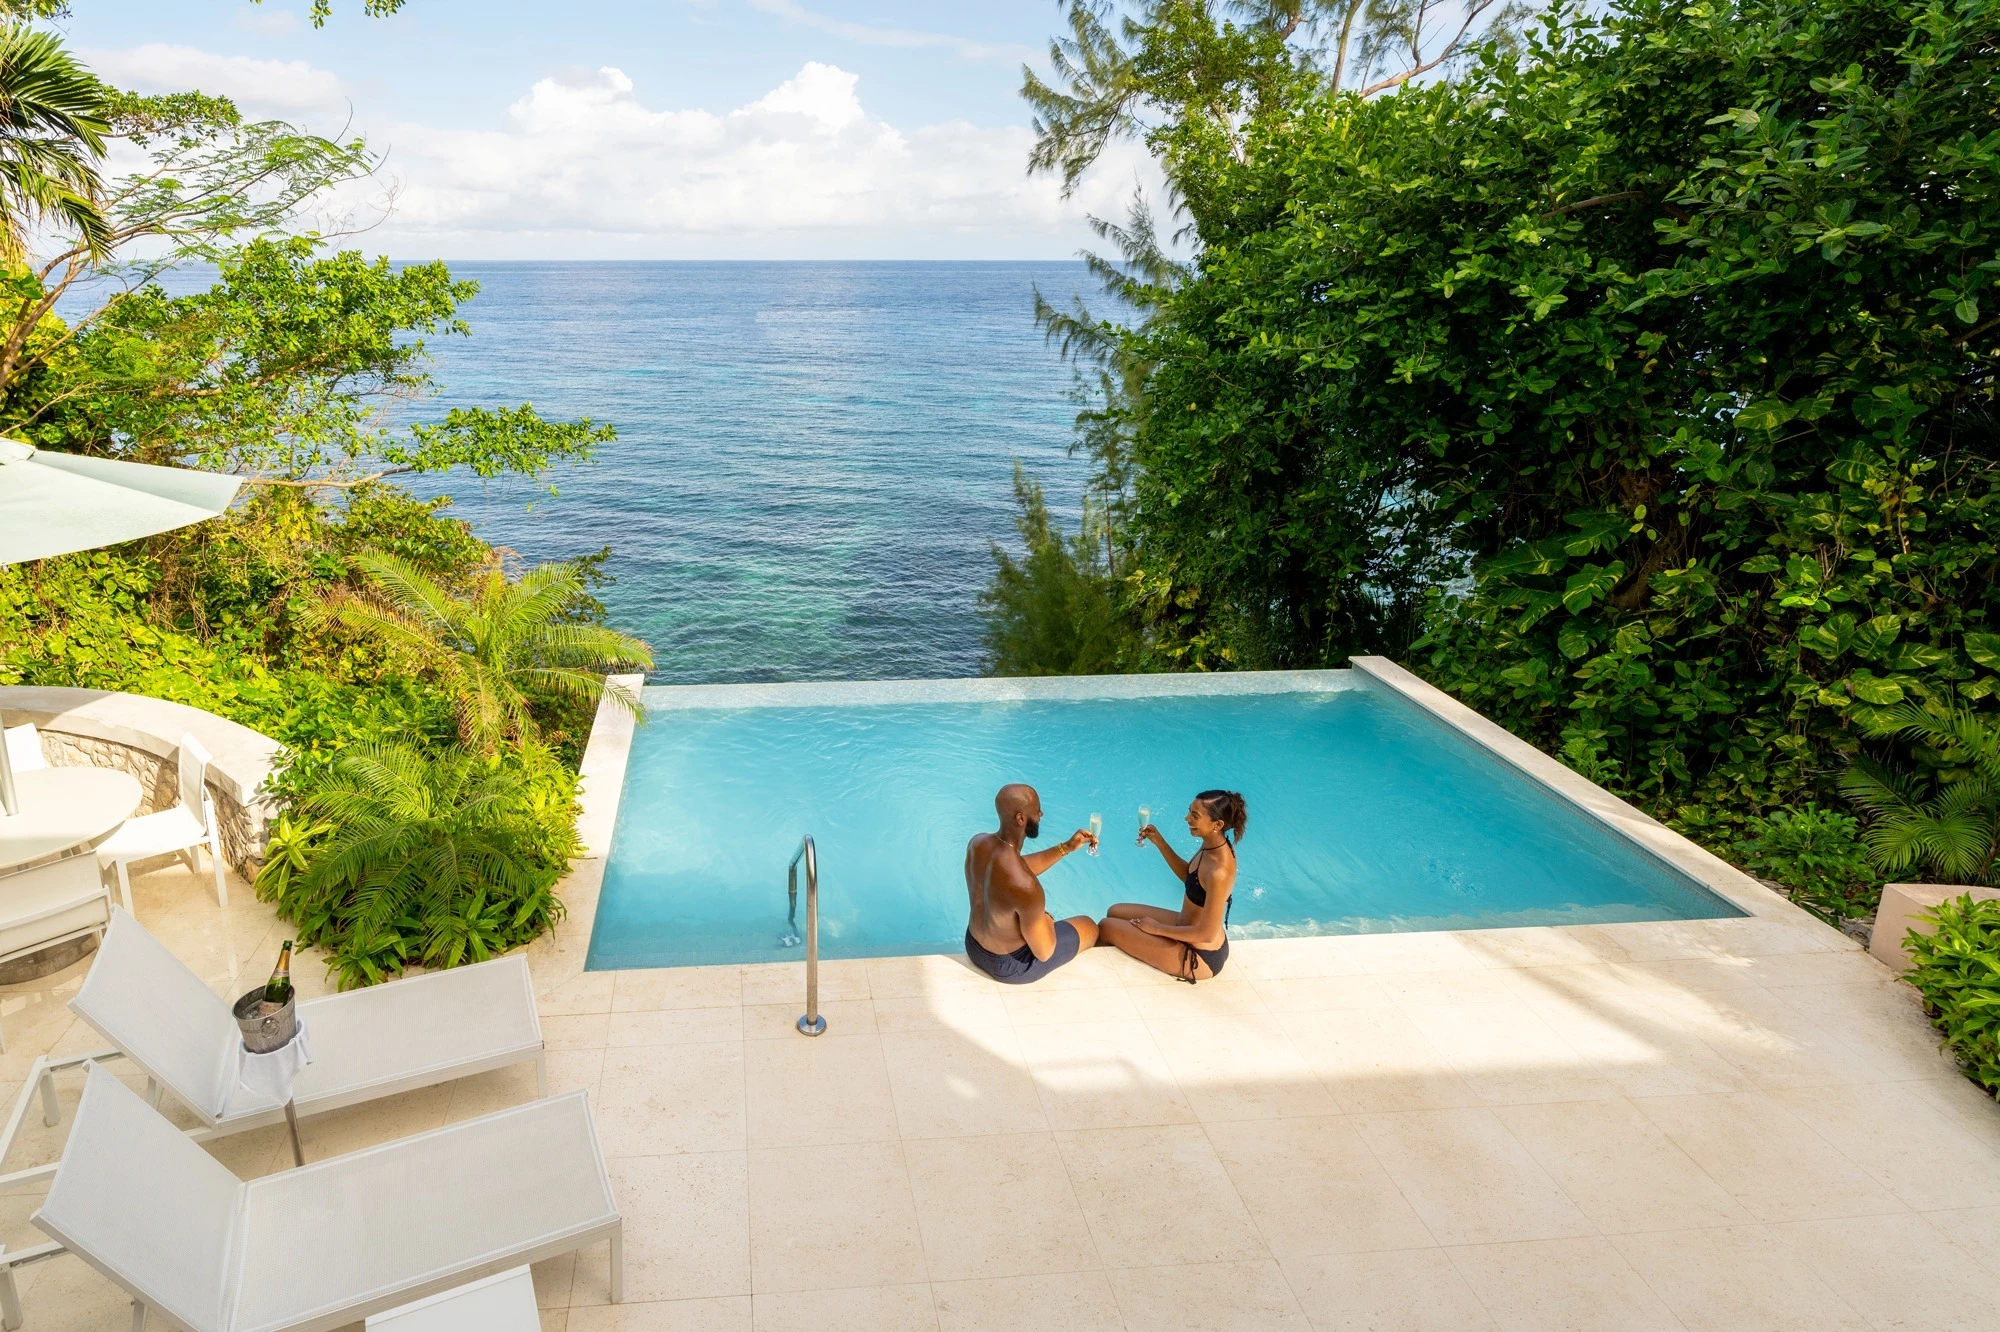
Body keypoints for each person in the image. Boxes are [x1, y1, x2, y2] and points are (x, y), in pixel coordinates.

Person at [1099, 790, 1246, 983]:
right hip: (1185, 926)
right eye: (1189, 811)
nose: (1187, 818)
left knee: (1106, 927)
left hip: (1199, 954)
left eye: (1195, 816)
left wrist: (1157, 929)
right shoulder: (1212, 843)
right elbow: (1191, 878)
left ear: (1217, 825)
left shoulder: (1220, 871)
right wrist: (1160, 842)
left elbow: (1207, 934)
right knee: (1115, 911)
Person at [963, 783, 1101, 983]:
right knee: (1090, 926)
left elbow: (1016, 869)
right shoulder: (1027, 887)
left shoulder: (977, 844)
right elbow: (1044, 952)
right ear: (1020, 819)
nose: (1041, 814)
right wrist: (1047, 920)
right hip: (1009, 966)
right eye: (1037, 811)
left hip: (973, 946)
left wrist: (1067, 847)